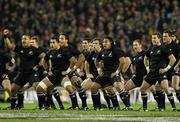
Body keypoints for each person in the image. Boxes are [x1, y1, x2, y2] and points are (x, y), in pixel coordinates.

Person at [140, 33, 177, 111]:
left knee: (166, 88)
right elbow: (145, 58)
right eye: (152, 38)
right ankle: (145, 108)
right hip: (151, 73)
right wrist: (147, 68)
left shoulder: (164, 48)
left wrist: (166, 69)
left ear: (159, 39)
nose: (153, 40)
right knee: (142, 89)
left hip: (160, 73)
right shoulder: (151, 49)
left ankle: (174, 107)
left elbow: (173, 59)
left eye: (155, 38)